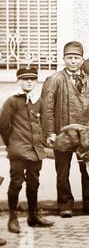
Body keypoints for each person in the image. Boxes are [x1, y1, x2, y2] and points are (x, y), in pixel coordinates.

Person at [41, 41, 89, 217]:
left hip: (85, 135)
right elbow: (47, 109)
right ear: (63, 59)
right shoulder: (54, 80)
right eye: (69, 58)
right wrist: (50, 133)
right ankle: (65, 205)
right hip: (64, 134)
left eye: (76, 58)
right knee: (63, 170)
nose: (73, 61)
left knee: (88, 169)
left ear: (82, 60)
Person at [0, 67, 54, 233]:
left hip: (36, 150)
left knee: (33, 183)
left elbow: (44, 123)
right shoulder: (12, 101)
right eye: (25, 79)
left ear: (36, 81)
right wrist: (12, 145)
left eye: (32, 79)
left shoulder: (38, 101)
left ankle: (33, 216)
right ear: (19, 81)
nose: (29, 81)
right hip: (18, 150)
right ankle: (13, 218)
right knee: (16, 183)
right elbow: (4, 126)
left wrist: (45, 141)